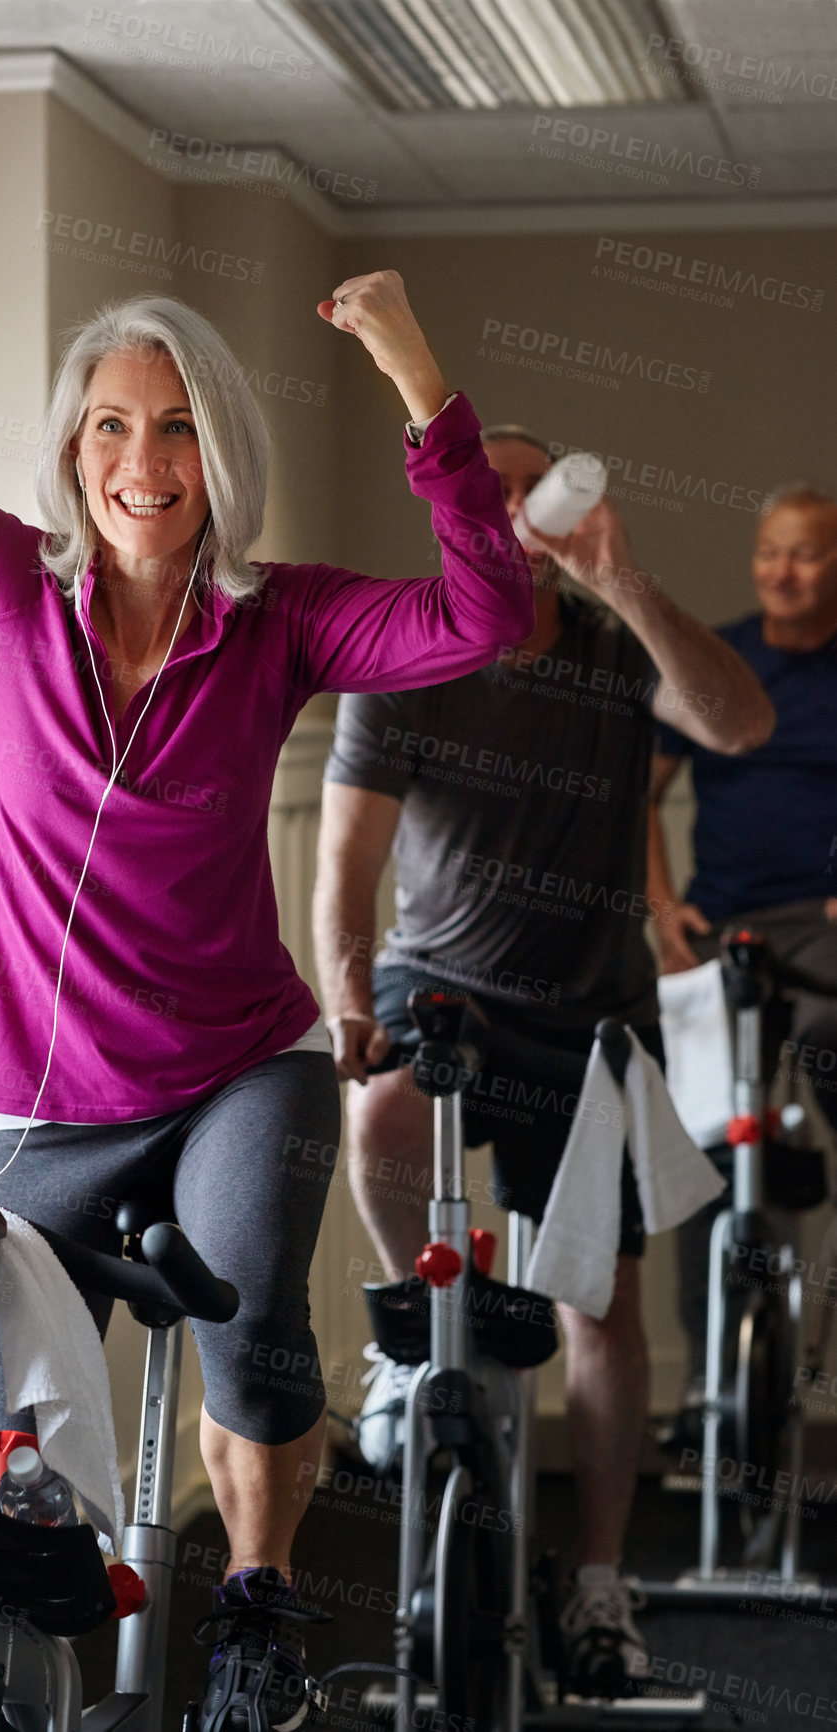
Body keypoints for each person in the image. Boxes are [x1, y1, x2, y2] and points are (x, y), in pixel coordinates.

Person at [0, 73, 535, 1731]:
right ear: (65, 448)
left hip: (239, 1060)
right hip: (31, 1099)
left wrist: (414, 376)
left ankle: (247, 1604)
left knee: (245, 1326)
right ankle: (13, 1600)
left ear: (214, 450)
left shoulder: (282, 621)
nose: (140, 457)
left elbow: (480, 611)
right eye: (108, 423)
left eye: (173, 424)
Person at [313, 424, 774, 1699]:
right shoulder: (402, 659)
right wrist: (349, 997)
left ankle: (598, 1582)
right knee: (382, 1116)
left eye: (530, 490)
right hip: (441, 981)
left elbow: (738, 723)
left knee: (595, 1304)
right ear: (449, 514)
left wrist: (622, 579)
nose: (512, 510)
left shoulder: (614, 649)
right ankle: (415, 1343)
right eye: (489, 490)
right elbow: (342, 868)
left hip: (586, 1011)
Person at [649, 485, 837, 1396]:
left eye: (804, 554)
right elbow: (638, 794)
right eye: (770, 553)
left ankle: (809, 1355)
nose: (782, 571)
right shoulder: (723, 662)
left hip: (823, 929)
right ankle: (718, 1390)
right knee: (711, 1153)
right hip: (723, 930)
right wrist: (659, 906)